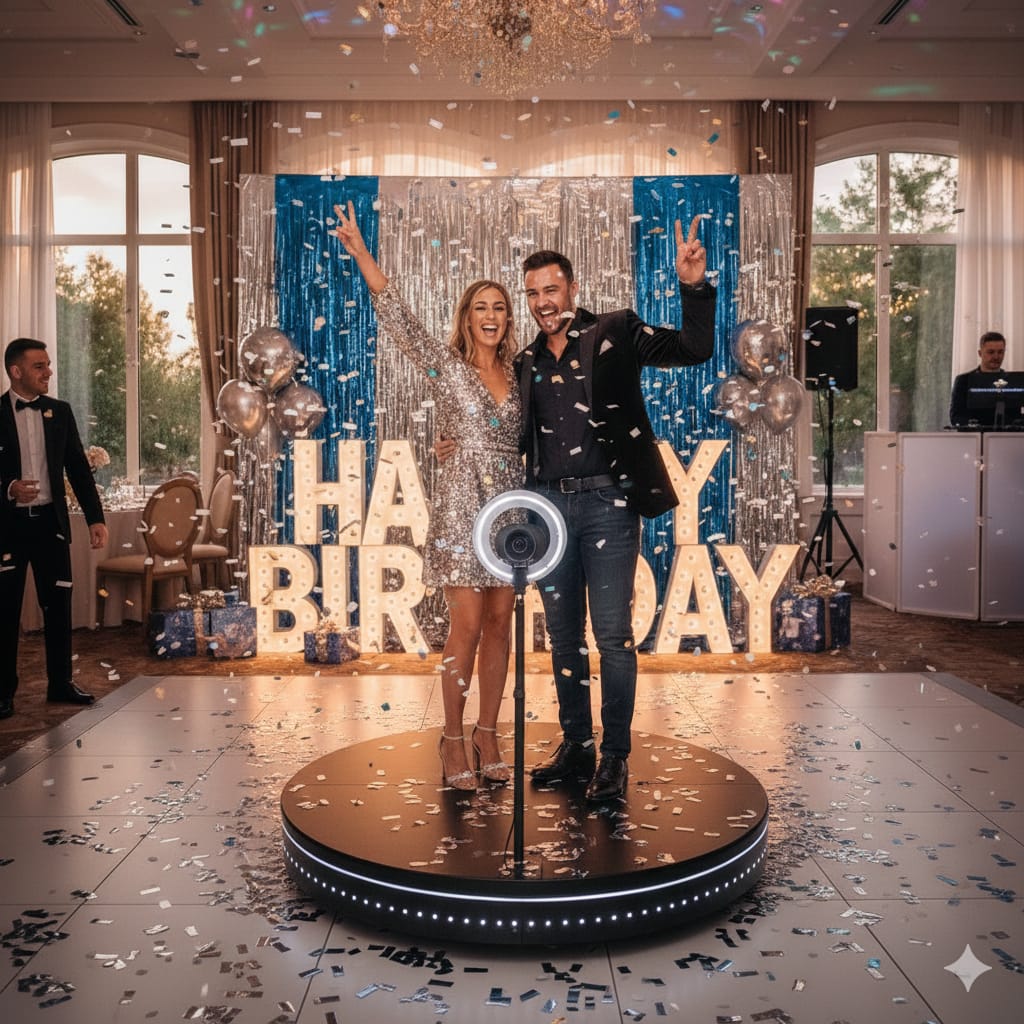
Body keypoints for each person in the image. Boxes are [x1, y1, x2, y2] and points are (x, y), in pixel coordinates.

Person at [518, 216, 716, 802]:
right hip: (549, 509)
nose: (542, 302)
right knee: (562, 637)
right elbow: (508, 431)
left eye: (551, 289)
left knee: (611, 636)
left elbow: (693, 349)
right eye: (532, 293)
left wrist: (693, 288)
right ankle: (577, 745)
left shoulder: (614, 329)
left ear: (572, 288)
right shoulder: (526, 360)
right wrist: (453, 442)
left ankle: (615, 757)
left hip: (609, 502)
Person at [332, 201, 522, 792]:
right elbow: (401, 319)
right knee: (467, 623)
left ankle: (488, 733)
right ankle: (452, 736)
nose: (490, 316)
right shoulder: (447, 365)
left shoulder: (524, 374)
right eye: (481, 307)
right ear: (466, 318)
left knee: (501, 623)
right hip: (461, 507)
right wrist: (363, 255)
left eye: (499, 307)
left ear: (508, 319)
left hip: (510, 510)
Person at [1, 337, 109, 720]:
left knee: (59, 606)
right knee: (5, 611)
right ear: (16, 371)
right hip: (8, 528)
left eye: (47, 364)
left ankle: (60, 683)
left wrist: (96, 518)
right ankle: (3, 692)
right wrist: (8, 488)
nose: (48, 371)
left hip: (51, 526)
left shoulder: (60, 412)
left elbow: (78, 468)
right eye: (39, 366)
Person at [949, 330, 1008, 428]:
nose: (996, 356)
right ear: (980, 353)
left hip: (1007, 436)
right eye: (991, 352)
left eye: (1000, 352)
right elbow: (956, 416)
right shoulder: (963, 381)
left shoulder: (1013, 380)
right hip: (973, 436)